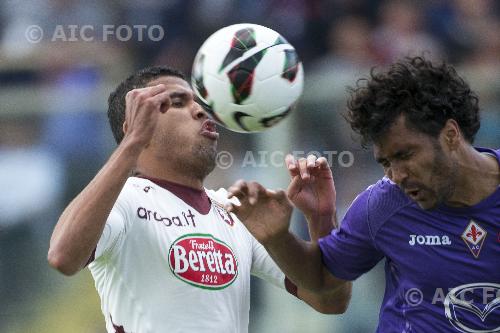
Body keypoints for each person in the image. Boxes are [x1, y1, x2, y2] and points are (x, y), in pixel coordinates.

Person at [47, 66, 351, 333]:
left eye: (201, 103)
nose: (202, 111)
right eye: (178, 103)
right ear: (137, 126)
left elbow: (330, 300)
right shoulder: (123, 200)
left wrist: (321, 221)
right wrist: (132, 143)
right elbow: (63, 256)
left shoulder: (233, 209)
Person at [226, 56, 500, 332]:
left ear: (451, 135)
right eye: (386, 162)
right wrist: (278, 237)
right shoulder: (384, 203)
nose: (397, 175)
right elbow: (322, 280)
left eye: (406, 155)